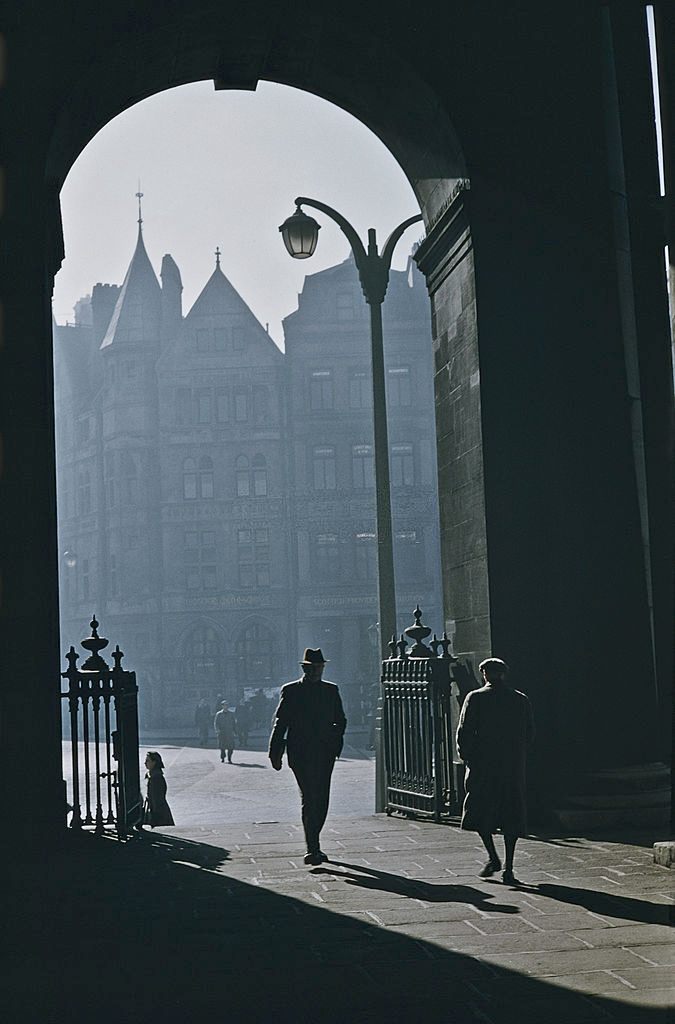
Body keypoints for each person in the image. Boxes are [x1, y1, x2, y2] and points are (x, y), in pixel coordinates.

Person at [456, 657, 535, 885]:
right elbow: (530, 733)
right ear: (504, 673)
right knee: (512, 813)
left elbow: (464, 731)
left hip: (484, 766)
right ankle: (509, 867)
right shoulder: (520, 699)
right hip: (511, 766)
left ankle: (493, 857)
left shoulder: (475, 698)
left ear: (484, 673)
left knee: (481, 812)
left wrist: (468, 757)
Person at [269, 648, 347, 866]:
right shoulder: (291, 690)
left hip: (324, 752)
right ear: (304, 668)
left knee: (322, 799)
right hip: (300, 752)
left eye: (319, 668)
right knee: (309, 797)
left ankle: (314, 840)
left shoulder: (331, 690)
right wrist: (275, 752)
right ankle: (312, 848)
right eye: (311, 668)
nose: (315, 672)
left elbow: (340, 720)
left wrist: (333, 740)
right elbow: (280, 722)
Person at [143, 751, 175, 827]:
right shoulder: (154, 776)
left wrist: (155, 816)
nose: (145, 763)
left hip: (160, 814)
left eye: (148, 761)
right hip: (159, 812)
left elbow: (157, 799)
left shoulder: (156, 778)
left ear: (154, 762)